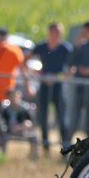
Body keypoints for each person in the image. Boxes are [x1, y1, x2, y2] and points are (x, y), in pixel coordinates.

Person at [29, 22, 73, 153]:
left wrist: (59, 77)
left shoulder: (65, 48)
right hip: (44, 86)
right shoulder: (41, 47)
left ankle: (65, 148)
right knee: (43, 118)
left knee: (62, 118)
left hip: (58, 87)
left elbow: (72, 68)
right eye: (53, 32)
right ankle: (45, 146)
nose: (55, 35)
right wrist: (37, 74)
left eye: (58, 33)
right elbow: (25, 60)